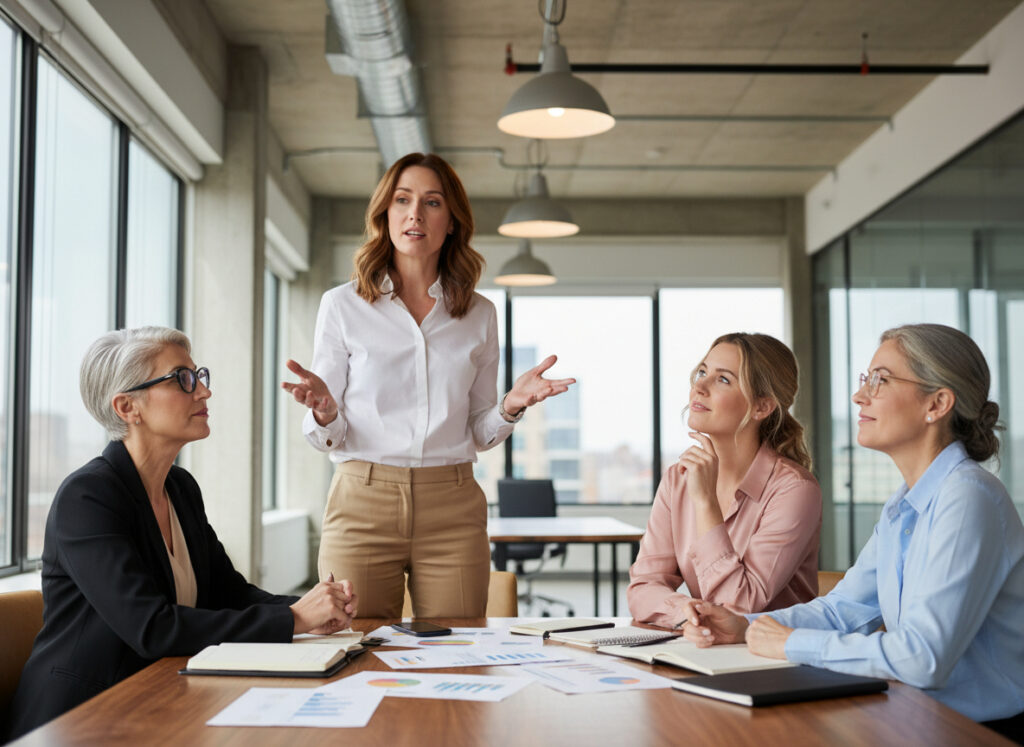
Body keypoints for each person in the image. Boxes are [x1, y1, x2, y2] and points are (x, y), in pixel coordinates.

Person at [5, 327, 357, 741]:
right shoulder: (87, 498)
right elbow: (152, 628)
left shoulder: (181, 488)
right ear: (127, 407)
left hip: (159, 700)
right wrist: (294, 618)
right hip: (79, 719)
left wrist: (314, 608)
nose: (204, 392)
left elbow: (230, 593)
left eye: (198, 376)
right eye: (182, 379)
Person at [682, 324, 1024, 740]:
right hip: (915, 721)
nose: (859, 396)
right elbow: (843, 610)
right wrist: (744, 625)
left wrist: (789, 643)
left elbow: (922, 658)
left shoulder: (968, 498)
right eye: (866, 379)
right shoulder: (904, 505)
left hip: (980, 733)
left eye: (881, 380)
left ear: (936, 404)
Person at [282, 153, 574, 619]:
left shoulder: (480, 314)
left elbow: (478, 432)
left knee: (459, 649)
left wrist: (510, 406)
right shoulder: (342, 306)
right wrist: (324, 412)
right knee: (357, 646)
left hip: (452, 506)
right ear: (385, 213)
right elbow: (326, 436)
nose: (415, 213)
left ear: (452, 221)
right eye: (402, 200)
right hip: (362, 500)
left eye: (432, 202)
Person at [628, 332, 821, 627]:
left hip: (772, 651)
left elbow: (737, 606)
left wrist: (705, 502)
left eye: (723, 379)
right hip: (706, 645)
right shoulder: (678, 478)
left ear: (761, 407)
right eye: (702, 372)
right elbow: (643, 587)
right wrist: (685, 611)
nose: (699, 387)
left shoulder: (795, 490)